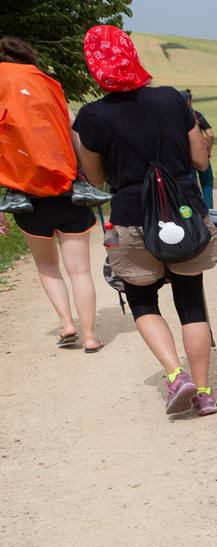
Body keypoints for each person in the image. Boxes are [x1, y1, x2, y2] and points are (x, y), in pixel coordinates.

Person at [73, 25, 217, 416]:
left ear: (95, 66)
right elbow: (200, 161)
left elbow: (97, 177)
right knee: (191, 302)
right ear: (131, 55)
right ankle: (205, 391)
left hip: (131, 218)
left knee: (142, 300)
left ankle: (176, 375)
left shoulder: (91, 117)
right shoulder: (172, 99)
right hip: (185, 214)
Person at [0, 36, 102, 352]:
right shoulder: (48, 85)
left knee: (46, 266)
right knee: (80, 269)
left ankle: (66, 323)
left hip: (25, 194)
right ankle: (89, 336)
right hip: (67, 189)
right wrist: (87, 178)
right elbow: (75, 131)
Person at [182, 89, 215, 209]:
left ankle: (196, 212)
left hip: (186, 156)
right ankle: (209, 211)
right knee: (207, 184)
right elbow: (210, 134)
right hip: (201, 154)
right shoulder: (197, 115)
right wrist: (208, 150)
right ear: (190, 101)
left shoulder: (177, 118)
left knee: (192, 186)